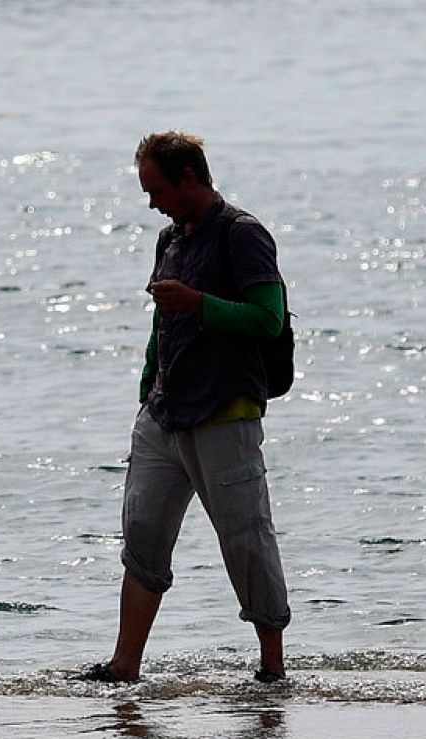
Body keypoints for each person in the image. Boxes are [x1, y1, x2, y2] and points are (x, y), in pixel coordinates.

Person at [81, 131, 291, 684]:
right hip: (163, 413)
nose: (152, 203)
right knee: (142, 533)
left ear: (189, 179)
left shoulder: (243, 235)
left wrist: (201, 304)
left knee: (246, 538)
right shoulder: (169, 239)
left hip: (226, 411)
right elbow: (162, 322)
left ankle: (272, 666)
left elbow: (268, 318)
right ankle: (124, 666)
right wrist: (148, 385)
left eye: (157, 190)